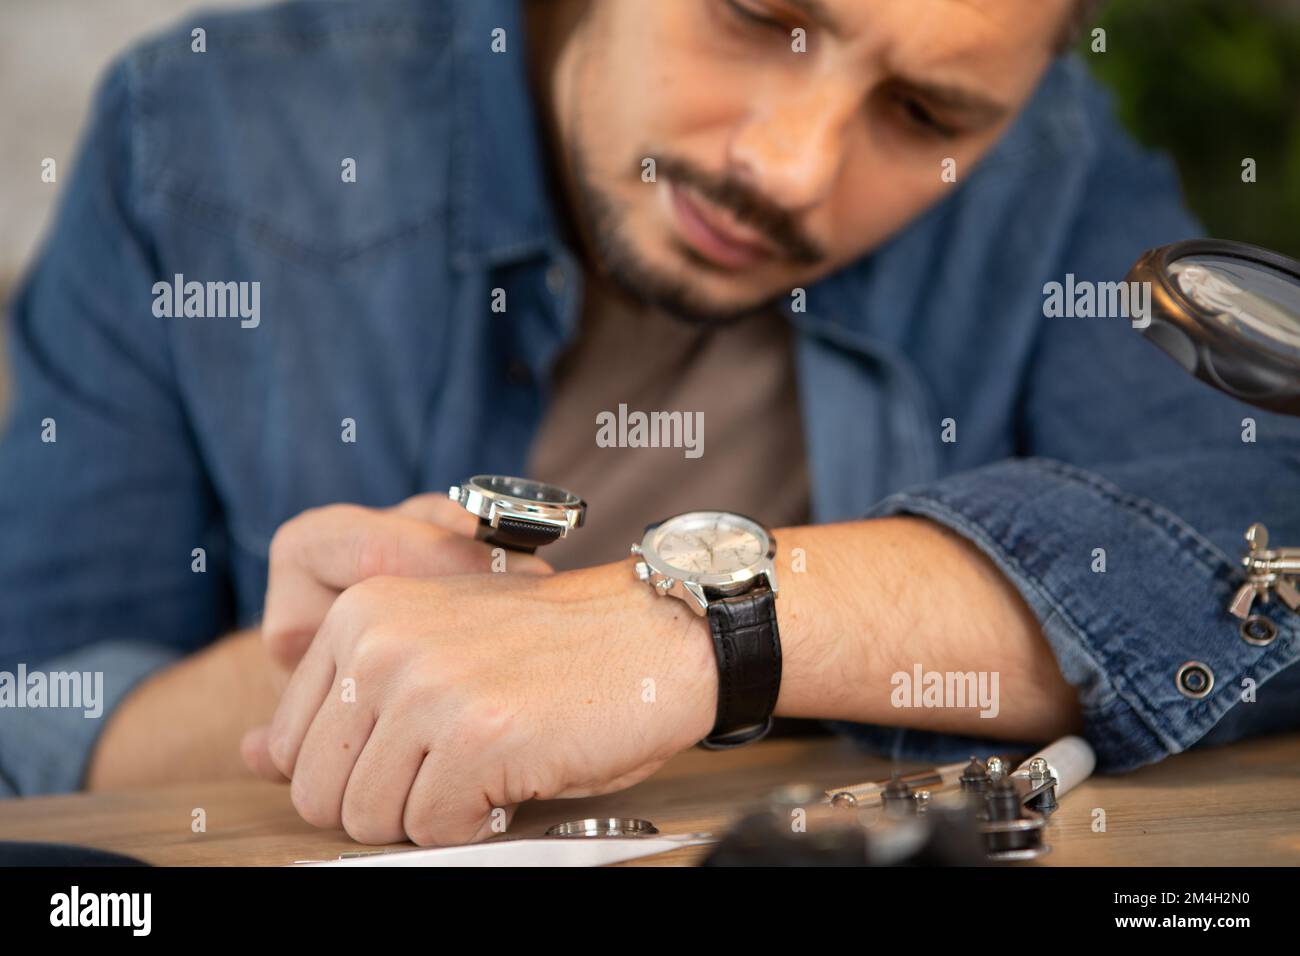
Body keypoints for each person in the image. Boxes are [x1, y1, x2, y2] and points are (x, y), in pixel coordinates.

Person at [2, 0, 1297, 847]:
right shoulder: (205, 132)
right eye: (759, 16)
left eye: (925, 117)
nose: (787, 165)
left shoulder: (1050, 170)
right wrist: (362, 659)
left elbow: (1262, 542)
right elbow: (32, 714)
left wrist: (693, 631)